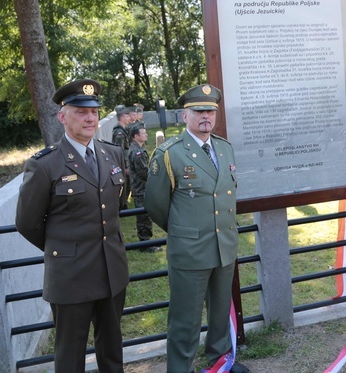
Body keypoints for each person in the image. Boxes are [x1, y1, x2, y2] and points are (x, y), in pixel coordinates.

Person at [15, 79, 128, 372]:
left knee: (113, 349)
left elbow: (118, 201)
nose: (90, 118)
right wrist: (65, 249)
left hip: (112, 270)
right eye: (80, 112)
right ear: (62, 117)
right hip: (71, 275)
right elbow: (27, 223)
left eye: (93, 112)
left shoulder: (112, 153)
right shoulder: (45, 165)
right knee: (70, 354)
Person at [144, 84, 249, 373]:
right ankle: (180, 369)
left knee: (219, 315)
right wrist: (184, 229)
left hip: (223, 247)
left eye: (210, 111)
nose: (206, 116)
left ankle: (220, 363)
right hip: (190, 250)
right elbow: (156, 205)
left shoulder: (224, 148)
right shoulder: (170, 154)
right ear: (184, 116)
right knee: (185, 320)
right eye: (199, 111)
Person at [128, 126, 159, 252]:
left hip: (142, 188)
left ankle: (146, 242)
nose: (146, 135)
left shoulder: (139, 149)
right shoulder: (137, 152)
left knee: (145, 215)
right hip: (141, 189)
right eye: (143, 133)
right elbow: (144, 172)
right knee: (143, 217)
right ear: (136, 136)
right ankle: (145, 244)